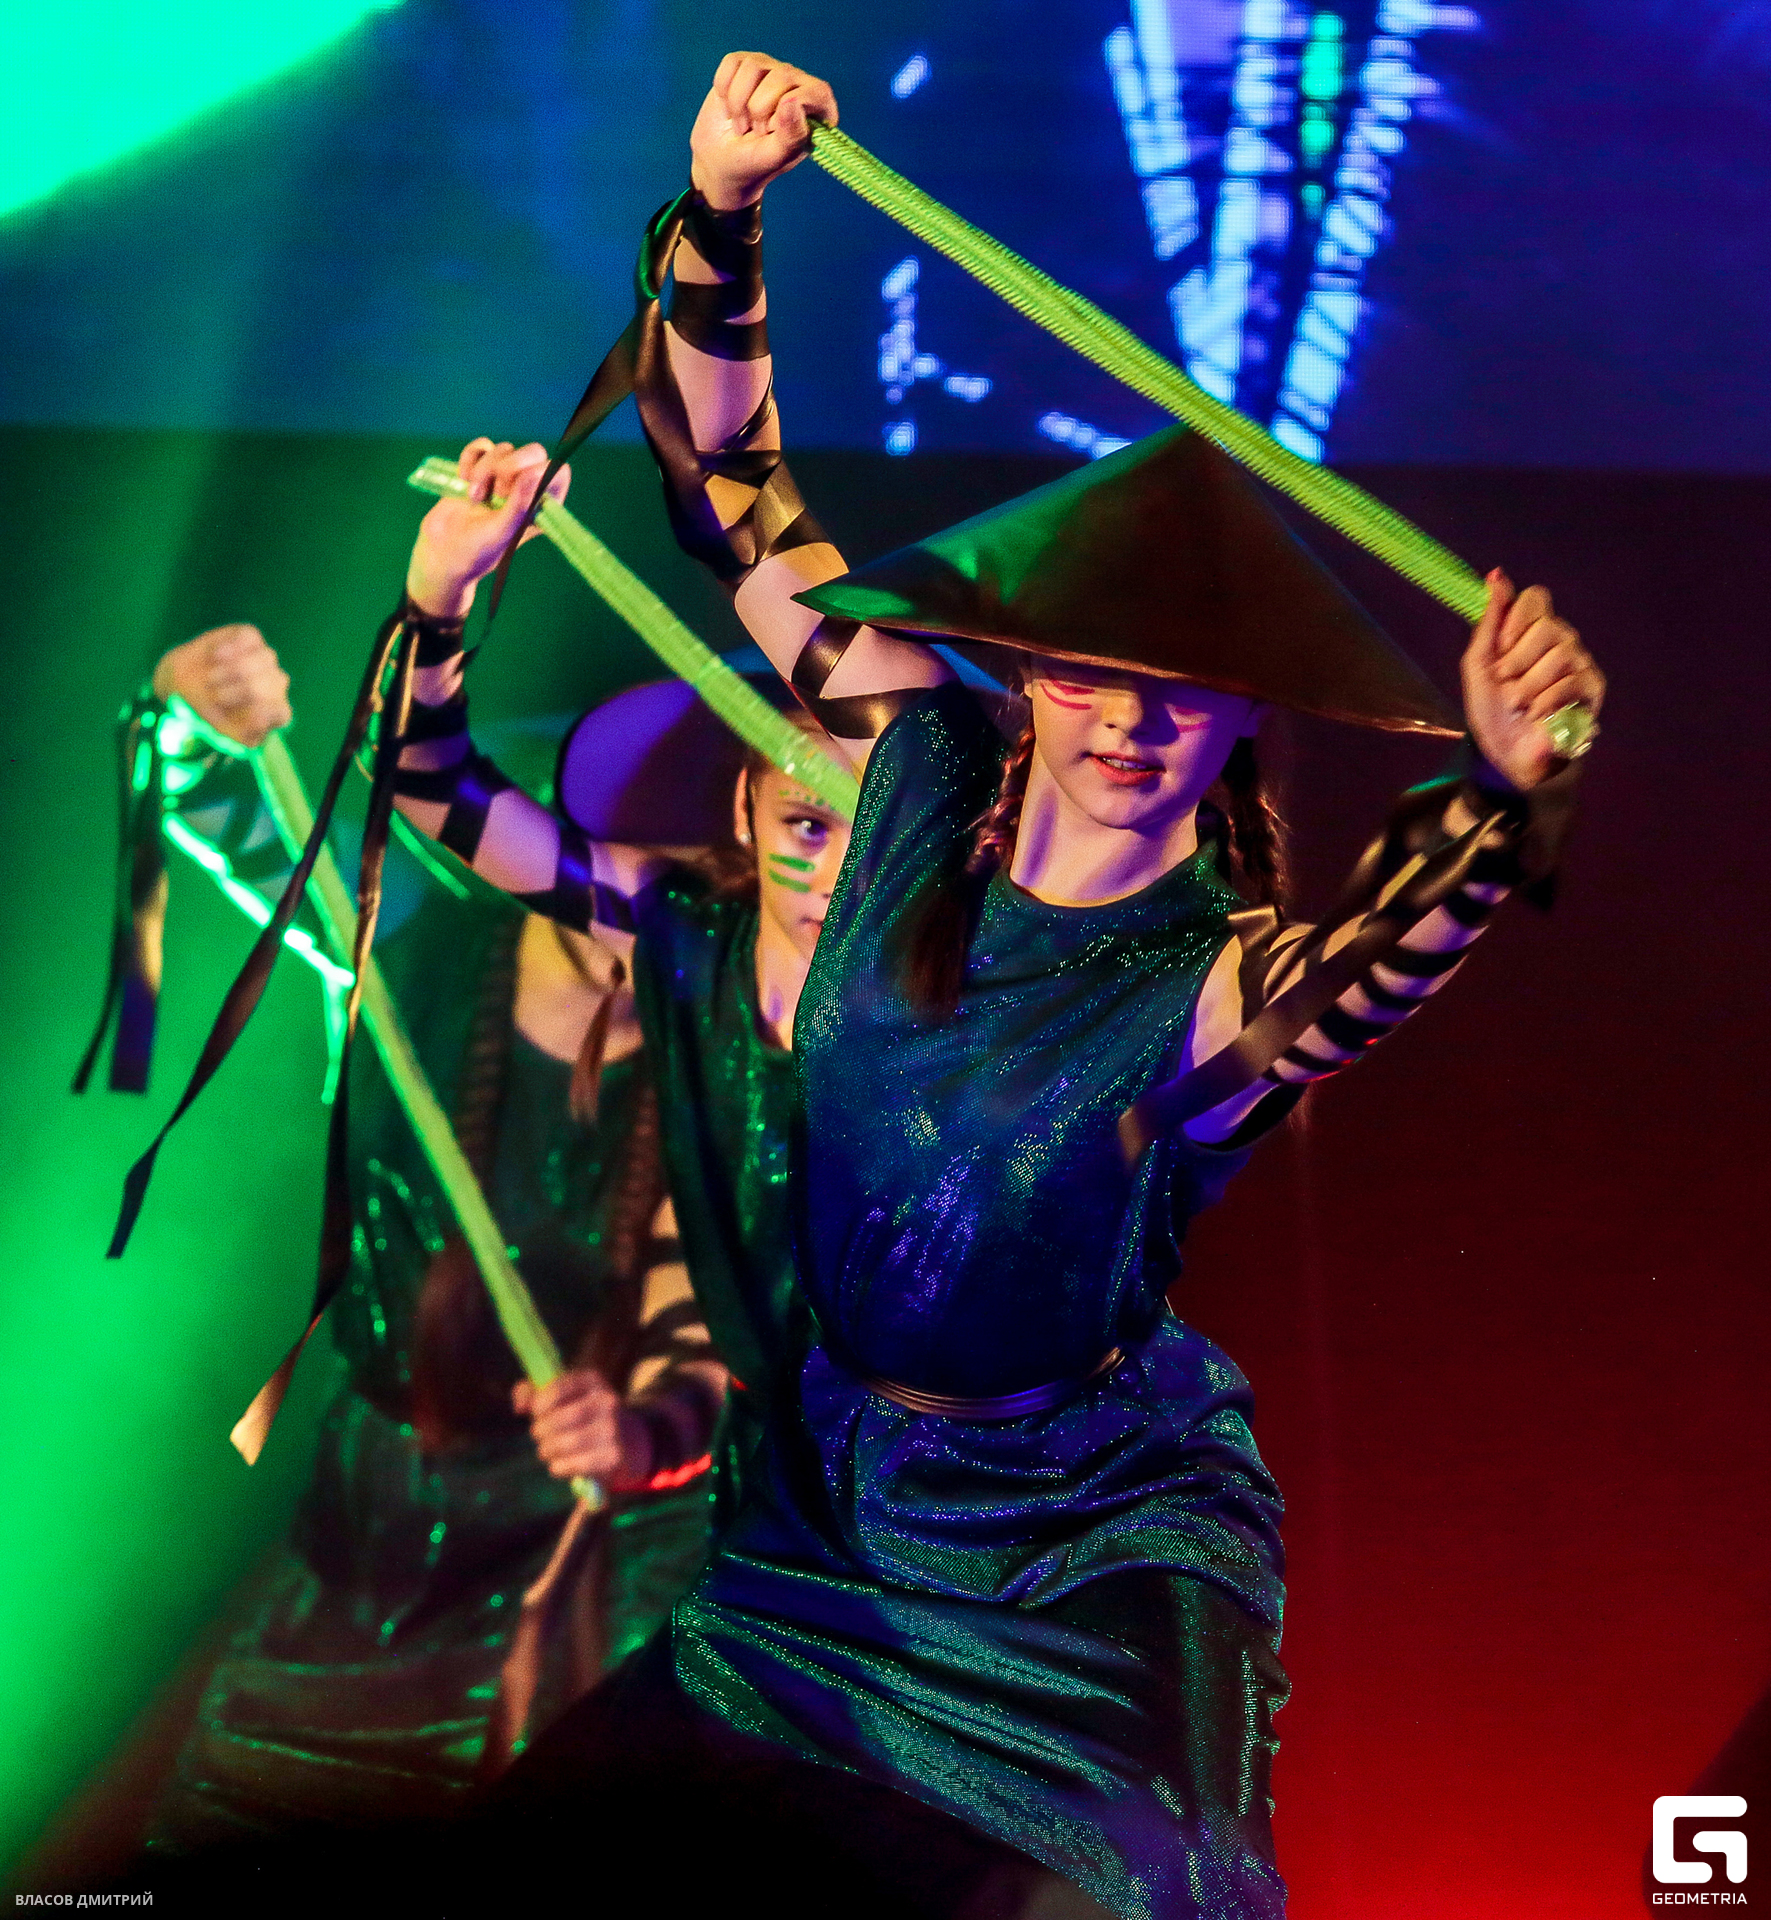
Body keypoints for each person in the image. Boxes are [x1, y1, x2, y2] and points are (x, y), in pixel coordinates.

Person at [486, 53, 1605, 1920]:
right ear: (1025, 668)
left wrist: (1497, 796)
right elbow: (732, 492)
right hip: (827, 1518)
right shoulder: (914, 767)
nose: (1127, 719)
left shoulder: (1209, 980)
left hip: (1080, 1560)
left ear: (1242, 715)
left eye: (1182, 687)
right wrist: (723, 213)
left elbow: (1371, 972)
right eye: (1090, 669)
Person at [114, 624, 727, 1849]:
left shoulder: (735, 1046)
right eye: (621, 854)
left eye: (696, 870)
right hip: (370, 1533)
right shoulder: (396, 943)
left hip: (589, 1562)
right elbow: (212, 806)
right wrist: (183, 713)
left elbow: (712, 1346)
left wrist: (639, 1437)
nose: (648, 900)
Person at [387, 457, 856, 1525]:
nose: (840, 874)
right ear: (743, 816)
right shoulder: (686, 942)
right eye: (808, 824)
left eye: (882, 827)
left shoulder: (969, 1006)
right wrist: (439, 590)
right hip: (757, 1503)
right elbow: (428, 785)